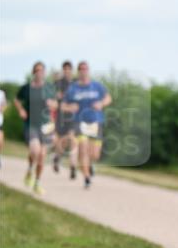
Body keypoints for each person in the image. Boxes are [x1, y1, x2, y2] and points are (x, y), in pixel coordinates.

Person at [62, 61, 111, 189]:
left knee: (95, 154)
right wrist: (69, 107)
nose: (83, 71)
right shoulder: (73, 88)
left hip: (96, 122)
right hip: (80, 122)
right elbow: (62, 105)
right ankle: (86, 178)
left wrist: (101, 104)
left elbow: (108, 98)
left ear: (88, 70)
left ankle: (90, 165)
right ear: (78, 71)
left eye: (85, 68)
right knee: (82, 150)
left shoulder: (97, 86)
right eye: (81, 69)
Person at [14, 62, 58, 195]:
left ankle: (37, 182)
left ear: (44, 72)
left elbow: (56, 104)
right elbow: (16, 100)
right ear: (34, 72)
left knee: (42, 155)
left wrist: (53, 104)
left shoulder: (49, 87)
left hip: (45, 125)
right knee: (35, 151)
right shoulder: (27, 88)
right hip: (31, 124)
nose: (39, 73)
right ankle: (29, 169)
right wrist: (21, 110)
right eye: (37, 70)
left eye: (42, 70)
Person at [52, 61, 78, 178]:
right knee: (62, 142)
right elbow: (56, 97)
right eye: (65, 69)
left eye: (69, 69)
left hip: (73, 118)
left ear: (71, 70)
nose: (67, 71)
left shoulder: (76, 83)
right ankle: (57, 157)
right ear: (63, 70)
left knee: (72, 140)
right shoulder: (59, 83)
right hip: (61, 117)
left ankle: (73, 166)